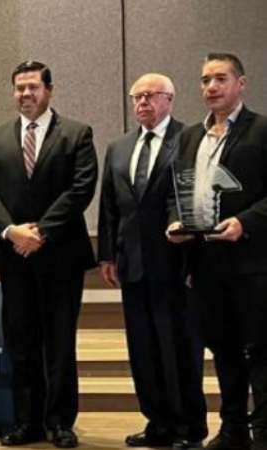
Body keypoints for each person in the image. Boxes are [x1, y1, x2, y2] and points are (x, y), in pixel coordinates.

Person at [0, 61, 97, 449]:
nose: (25, 94)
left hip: (60, 255)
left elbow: (81, 189)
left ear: (49, 89)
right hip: (15, 257)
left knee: (59, 344)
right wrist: (11, 232)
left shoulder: (76, 133)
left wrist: (41, 231)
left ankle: (60, 422)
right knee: (20, 343)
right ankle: (25, 421)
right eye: (19, 88)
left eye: (32, 87)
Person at [98, 74, 208, 450]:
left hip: (175, 263)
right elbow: (109, 206)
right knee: (142, 348)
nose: (142, 103)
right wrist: (106, 255)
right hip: (131, 264)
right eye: (137, 97)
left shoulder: (189, 139)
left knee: (179, 347)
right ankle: (157, 422)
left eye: (151, 96)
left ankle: (188, 427)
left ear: (170, 100)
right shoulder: (118, 147)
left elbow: (192, 195)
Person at [167, 53, 267, 450]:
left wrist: (246, 222)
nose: (211, 87)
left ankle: (264, 433)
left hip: (252, 262)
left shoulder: (262, 130)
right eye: (205, 80)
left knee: (260, 350)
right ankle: (232, 430)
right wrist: (176, 220)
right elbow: (180, 192)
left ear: (241, 83)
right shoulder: (191, 136)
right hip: (206, 264)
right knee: (222, 349)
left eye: (220, 79)